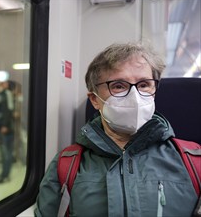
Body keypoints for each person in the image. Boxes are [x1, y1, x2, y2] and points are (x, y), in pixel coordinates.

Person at [34, 42, 200, 216]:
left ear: (154, 91)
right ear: (94, 99)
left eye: (144, 85)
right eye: (119, 86)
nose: (135, 97)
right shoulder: (67, 165)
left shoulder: (194, 161)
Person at [0, 77, 15, 184]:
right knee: (3, 153)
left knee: (6, 152)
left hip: (5, 128)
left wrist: (5, 125)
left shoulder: (7, 94)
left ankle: (5, 175)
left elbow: (9, 110)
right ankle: (3, 173)